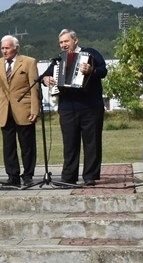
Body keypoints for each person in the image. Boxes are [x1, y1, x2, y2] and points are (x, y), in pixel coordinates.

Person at [42, 29, 107, 186]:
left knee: (92, 142)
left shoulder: (90, 53)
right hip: (67, 107)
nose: (64, 45)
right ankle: (69, 177)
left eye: (66, 41)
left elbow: (103, 71)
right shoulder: (58, 60)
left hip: (90, 106)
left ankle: (90, 176)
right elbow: (43, 77)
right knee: (69, 143)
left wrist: (92, 70)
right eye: (61, 42)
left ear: (75, 40)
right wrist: (46, 79)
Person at [0, 35, 39, 187]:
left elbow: (34, 88)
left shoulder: (29, 62)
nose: (4, 51)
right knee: (8, 146)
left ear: (16, 48)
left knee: (27, 145)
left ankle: (28, 175)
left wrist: (35, 109)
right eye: (2, 48)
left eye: (7, 48)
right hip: (5, 111)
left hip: (24, 109)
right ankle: (13, 176)